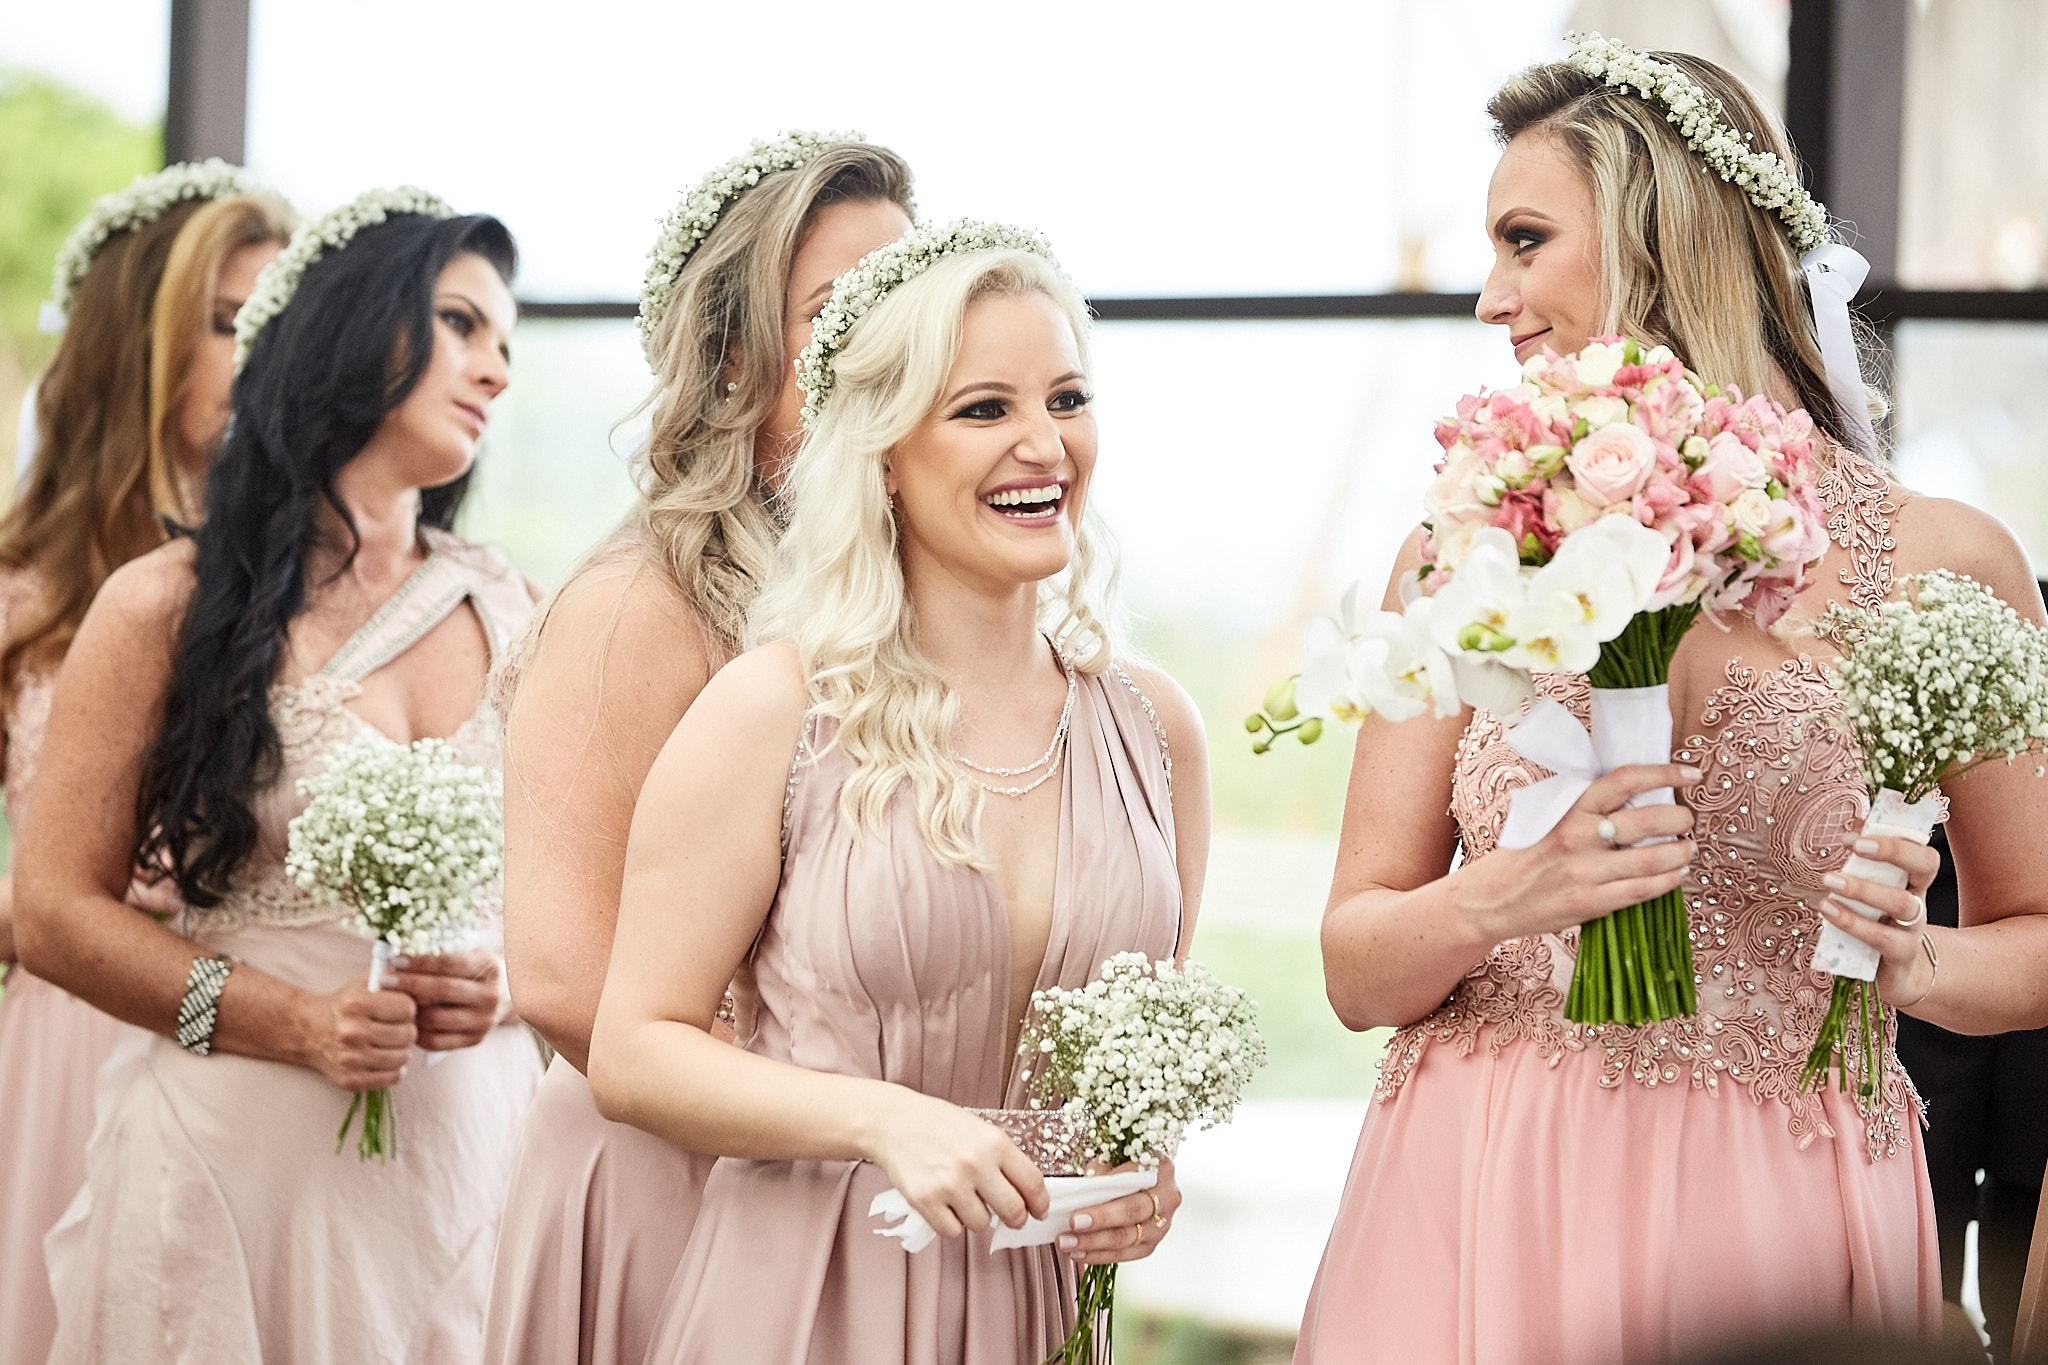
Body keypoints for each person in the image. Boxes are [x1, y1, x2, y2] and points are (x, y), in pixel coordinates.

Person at [1295, 36, 2048, 1363]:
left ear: (1659, 234)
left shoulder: (1942, 560)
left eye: (1525, 241)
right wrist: (1505, 895)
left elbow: (2036, 938)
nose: (1491, 298)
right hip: (1485, 1181)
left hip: (1782, 1204)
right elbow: (1356, 967)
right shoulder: (1463, 543)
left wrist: (1916, 962)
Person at [587, 222, 1210, 1363]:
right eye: (984, 409)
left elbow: (1137, 1064)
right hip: (811, 1296)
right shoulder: (771, 712)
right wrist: (881, 1120)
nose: (1044, 445)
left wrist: (1142, 1174)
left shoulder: (1155, 729)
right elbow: (632, 1051)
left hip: (1038, 1306)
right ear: (881, 451)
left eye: (1066, 399)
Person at [15, 186, 542, 1365]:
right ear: (354, 320)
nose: (495, 370)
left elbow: (583, 899)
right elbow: (53, 913)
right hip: (230, 1166)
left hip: (468, 1175)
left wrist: (506, 986)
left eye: (506, 343)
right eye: (461, 323)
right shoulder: (162, 604)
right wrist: (290, 1023)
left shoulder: (520, 611)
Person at [480, 133, 918, 1365]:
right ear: (733, 357)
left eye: (906, 302)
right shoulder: (638, 605)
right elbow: (564, 979)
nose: (887, 347)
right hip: (678, 1185)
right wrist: (850, 1130)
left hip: (857, 1183)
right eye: (839, 315)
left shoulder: (903, 600)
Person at [0, 170, 291, 1365]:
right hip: (73, 1030)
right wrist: (51, 911)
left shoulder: (307, 591)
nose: (258, 353)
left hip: (270, 1034)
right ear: (138, 345)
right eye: (226, 322)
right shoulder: (22, 591)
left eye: (276, 321)